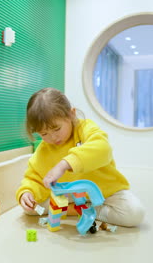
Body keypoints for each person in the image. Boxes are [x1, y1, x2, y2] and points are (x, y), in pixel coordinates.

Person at [15, 88, 145, 227]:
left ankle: (88, 209)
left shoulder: (85, 128)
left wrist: (64, 164)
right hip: (71, 196)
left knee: (135, 214)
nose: (52, 137)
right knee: (31, 209)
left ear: (71, 115)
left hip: (104, 193)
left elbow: (103, 149)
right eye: (44, 134)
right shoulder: (43, 150)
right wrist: (27, 192)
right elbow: (34, 177)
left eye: (57, 129)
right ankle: (74, 209)